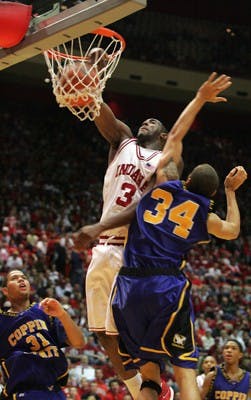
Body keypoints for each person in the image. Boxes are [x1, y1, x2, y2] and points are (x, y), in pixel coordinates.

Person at [73, 72, 232, 399]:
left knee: (125, 337)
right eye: (145, 121)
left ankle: (148, 388)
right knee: (104, 336)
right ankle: (145, 389)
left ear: (162, 136)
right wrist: (91, 91)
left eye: (153, 123)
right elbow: (103, 116)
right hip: (101, 248)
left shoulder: (167, 163)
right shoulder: (123, 141)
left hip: (131, 252)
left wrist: (198, 100)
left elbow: (174, 148)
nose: (146, 123)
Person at [0, 269, 85, 399]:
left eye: (23, 277)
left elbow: (79, 342)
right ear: (5, 291)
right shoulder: (2, 320)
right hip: (22, 393)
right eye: (14, 278)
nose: (21, 280)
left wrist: (62, 315)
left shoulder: (45, 310)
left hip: (54, 391)